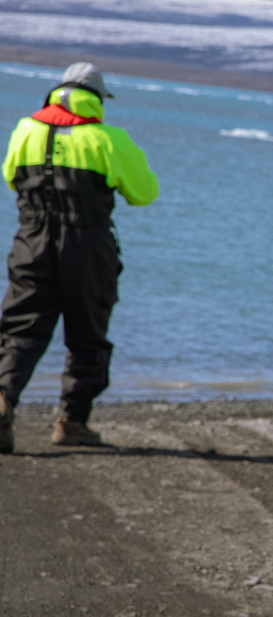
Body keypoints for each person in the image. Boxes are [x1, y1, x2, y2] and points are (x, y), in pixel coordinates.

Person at [0, 63, 158, 452]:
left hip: (31, 238)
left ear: (57, 93)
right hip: (87, 244)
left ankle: (2, 401)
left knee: (21, 329)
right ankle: (71, 421)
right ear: (97, 99)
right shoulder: (108, 139)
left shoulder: (25, 130)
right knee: (88, 334)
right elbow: (144, 193)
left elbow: (10, 177)